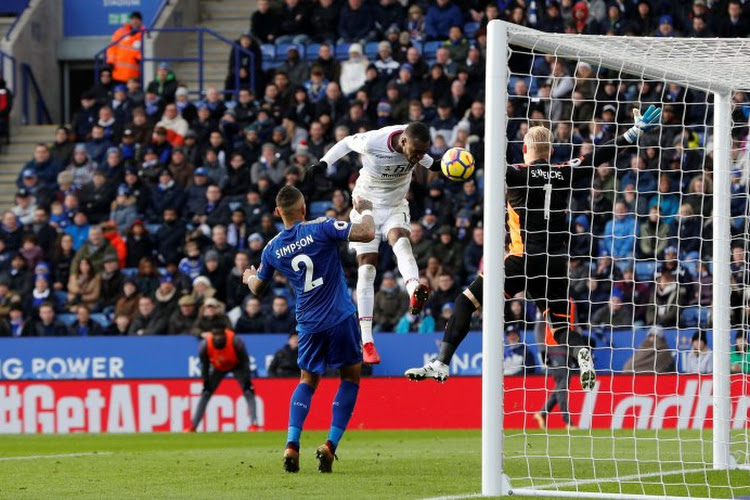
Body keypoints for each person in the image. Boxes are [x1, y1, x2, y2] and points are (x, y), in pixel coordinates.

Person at [405, 105, 663, 388]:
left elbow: (480, 163)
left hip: (521, 258)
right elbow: (599, 155)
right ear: (551, 152)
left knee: (465, 302)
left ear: (525, 152)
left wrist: (453, 156)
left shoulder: (515, 173)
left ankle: (441, 363)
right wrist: (632, 133)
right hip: (554, 265)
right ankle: (581, 352)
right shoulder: (565, 172)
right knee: (561, 326)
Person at [243, 185, 375, 473]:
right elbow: (366, 233)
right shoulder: (322, 227)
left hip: (309, 324)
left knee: (307, 380)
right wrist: (365, 208)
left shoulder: (272, 248)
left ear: (278, 213)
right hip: (340, 317)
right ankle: (329, 446)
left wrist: (248, 276)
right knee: (350, 378)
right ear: (303, 209)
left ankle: (292, 444)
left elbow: (259, 289)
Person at [309, 122, 437, 364]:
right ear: (403, 142)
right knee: (367, 268)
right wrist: (324, 163)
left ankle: (414, 291)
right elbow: (347, 142)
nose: (420, 158)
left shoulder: (415, 143)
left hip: (395, 205)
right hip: (365, 204)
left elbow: (425, 156)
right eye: (416, 153)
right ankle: (367, 341)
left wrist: (439, 165)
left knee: (401, 240)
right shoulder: (374, 141)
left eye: (423, 153)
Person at [186, 328, 260, 432]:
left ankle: (254, 424)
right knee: (206, 393)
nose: (218, 338)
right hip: (218, 367)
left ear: (225, 335)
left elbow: (244, 361)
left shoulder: (235, 341)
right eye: (216, 336)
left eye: (220, 336)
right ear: (212, 336)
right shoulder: (205, 345)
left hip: (236, 365)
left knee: (248, 391)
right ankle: (193, 426)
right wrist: (206, 382)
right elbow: (205, 365)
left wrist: (247, 380)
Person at [107, 11, 145, 85]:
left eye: (137, 19)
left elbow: (145, 51)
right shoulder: (120, 32)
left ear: (140, 21)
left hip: (133, 75)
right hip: (118, 72)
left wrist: (139, 58)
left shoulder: (144, 34)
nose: (134, 21)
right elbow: (112, 48)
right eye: (133, 19)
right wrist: (110, 62)